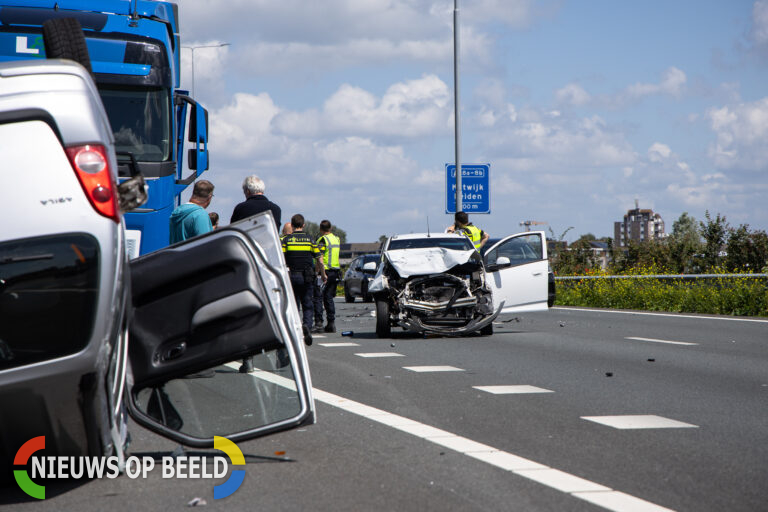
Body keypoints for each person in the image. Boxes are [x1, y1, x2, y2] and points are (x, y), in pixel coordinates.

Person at [282, 214, 326, 338]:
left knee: (294, 304)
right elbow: (320, 259)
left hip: (292, 276)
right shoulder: (310, 239)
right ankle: (307, 325)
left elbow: (280, 259)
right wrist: (322, 274)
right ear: (303, 225)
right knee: (307, 304)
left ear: (292, 224)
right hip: (307, 276)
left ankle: (295, 328)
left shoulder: (287, 240)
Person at [313, 220, 341, 333]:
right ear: (331, 228)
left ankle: (319, 323)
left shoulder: (322, 240)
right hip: (335, 270)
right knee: (329, 297)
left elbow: (320, 258)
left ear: (321, 229)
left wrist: (317, 272)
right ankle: (331, 323)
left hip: (325, 271)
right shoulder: (336, 239)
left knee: (318, 297)